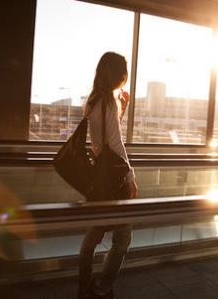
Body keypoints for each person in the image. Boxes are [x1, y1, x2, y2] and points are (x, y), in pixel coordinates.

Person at [78, 52, 138, 299]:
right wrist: (130, 176)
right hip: (113, 179)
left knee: (95, 232)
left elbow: (101, 141)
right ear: (118, 75)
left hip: (98, 177)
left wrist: (121, 109)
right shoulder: (108, 101)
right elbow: (116, 143)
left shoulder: (92, 101)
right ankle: (103, 287)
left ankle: (84, 285)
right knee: (122, 238)